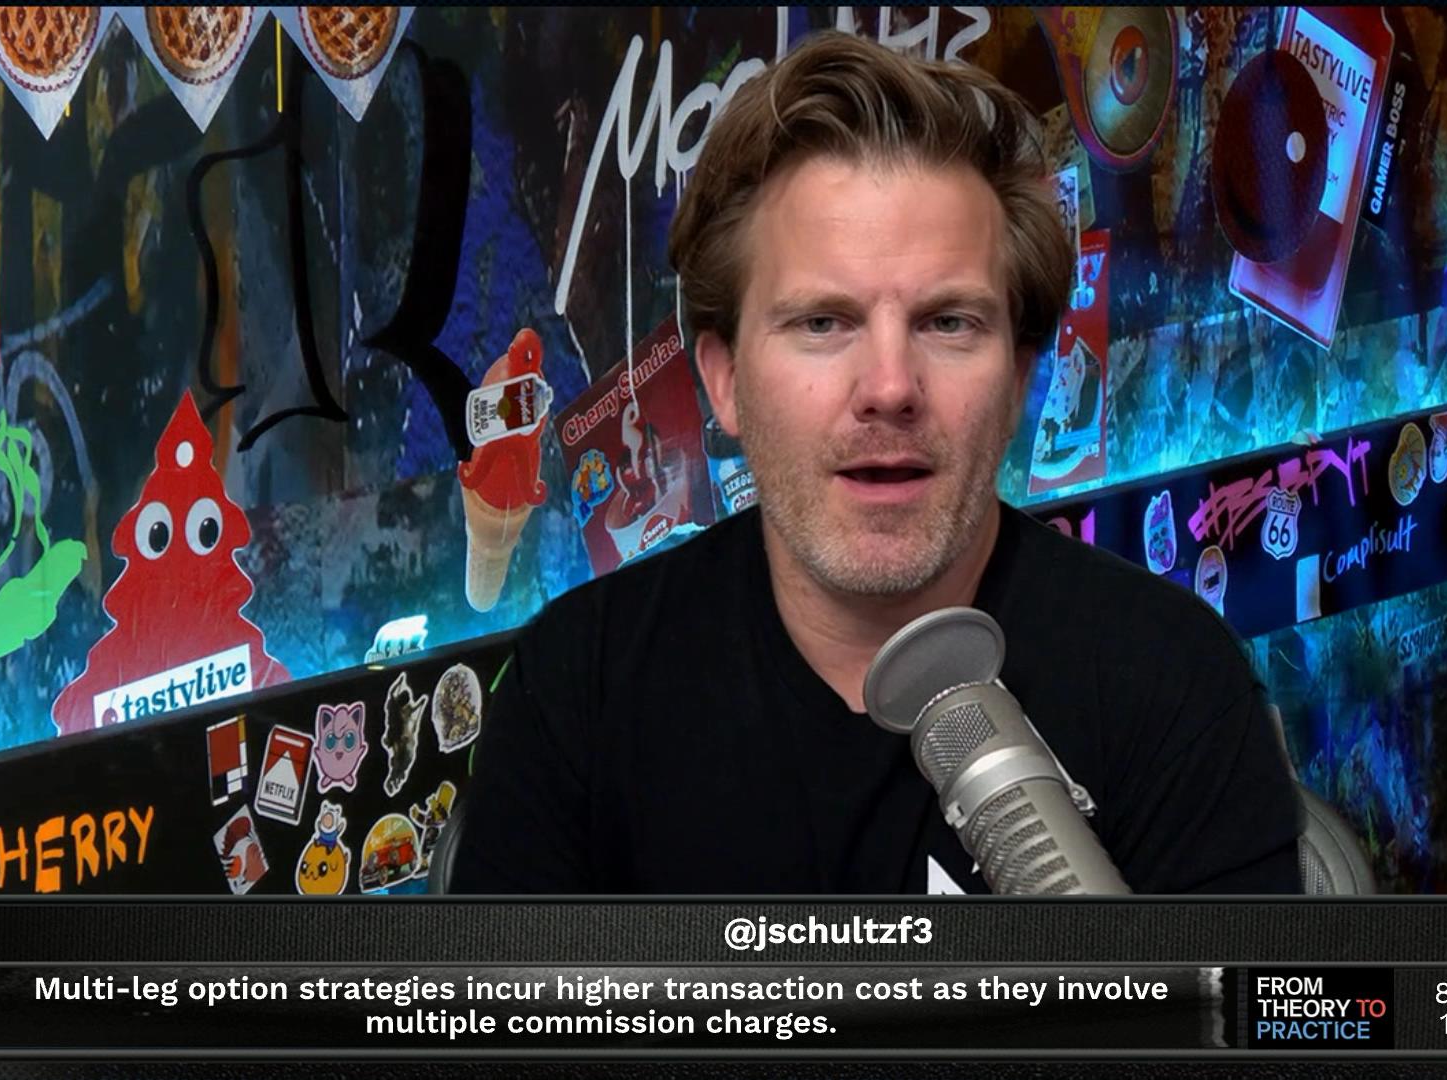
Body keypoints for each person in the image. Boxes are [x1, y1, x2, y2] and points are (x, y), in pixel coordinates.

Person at [451, 32, 1301, 895]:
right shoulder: (578, 692)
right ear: (725, 381)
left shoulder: (1177, 691)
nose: (890, 388)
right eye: (822, 323)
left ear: (1018, 380)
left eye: (949, 322)